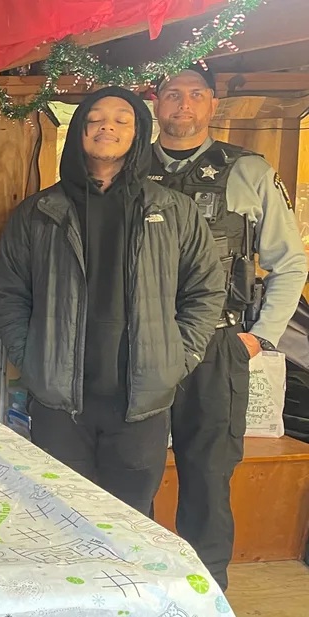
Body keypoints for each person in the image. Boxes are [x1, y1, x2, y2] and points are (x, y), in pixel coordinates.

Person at [0, 86, 225, 514]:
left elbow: (205, 290)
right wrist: (34, 360)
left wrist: (179, 357)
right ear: (79, 131)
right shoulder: (39, 212)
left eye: (122, 119)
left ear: (138, 134)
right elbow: (8, 295)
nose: (107, 127)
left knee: (130, 520)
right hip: (60, 403)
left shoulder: (174, 211)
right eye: (95, 118)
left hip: (140, 404)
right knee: (59, 515)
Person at [149, 66, 308, 590]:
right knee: (133, 469)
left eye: (195, 95)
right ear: (156, 102)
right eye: (173, 94)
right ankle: (138, 581)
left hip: (219, 343)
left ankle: (206, 588)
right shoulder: (127, 167)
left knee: (208, 474)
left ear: (213, 104)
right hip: (141, 343)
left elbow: (289, 262)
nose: (184, 105)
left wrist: (259, 337)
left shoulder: (250, 171)